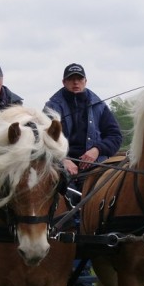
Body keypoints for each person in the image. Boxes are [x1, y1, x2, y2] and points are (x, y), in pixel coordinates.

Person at [44, 63, 122, 191]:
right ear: (64, 82)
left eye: (79, 79)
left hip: (95, 167)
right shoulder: (51, 108)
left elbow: (115, 136)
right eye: (71, 79)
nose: (76, 83)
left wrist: (97, 150)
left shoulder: (99, 106)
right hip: (62, 168)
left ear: (85, 81)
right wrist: (62, 160)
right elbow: (43, 141)